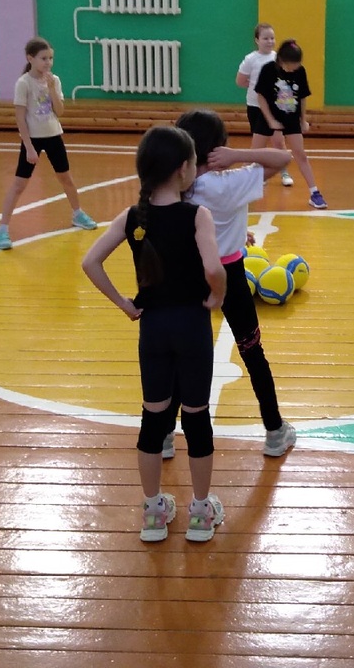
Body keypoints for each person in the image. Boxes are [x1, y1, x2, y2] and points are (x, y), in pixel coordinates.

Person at [81, 126, 228, 543]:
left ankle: (152, 512)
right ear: (184, 169)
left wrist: (124, 304)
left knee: (153, 417)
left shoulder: (132, 217)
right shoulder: (197, 215)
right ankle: (200, 514)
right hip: (192, 327)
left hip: (153, 330)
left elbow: (91, 262)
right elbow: (214, 268)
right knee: (196, 417)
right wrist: (217, 295)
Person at [171, 108, 297, 457]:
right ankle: (275, 431)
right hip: (229, 274)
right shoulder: (226, 183)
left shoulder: (175, 183)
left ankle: (164, 434)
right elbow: (283, 158)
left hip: (187, 276)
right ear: (216, 149)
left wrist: (239, 234)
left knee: (181, 354)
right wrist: (237, 155)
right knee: (252, 352)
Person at [0, 37, 98, 250]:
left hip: (53, 135)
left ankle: (77, 213)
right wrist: (29, 147)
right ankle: (2, 229)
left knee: (66, 178)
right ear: (30, 58)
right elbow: (20, 118)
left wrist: (51, 89)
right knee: (19, 185)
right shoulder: (23, 83)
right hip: (32, 138)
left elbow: (60, 111)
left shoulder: (54, 80)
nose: (48, 62)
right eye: (43, 58)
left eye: (50, 58)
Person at [254, 39, 327, 210]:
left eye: (296, 66)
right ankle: (240, 189)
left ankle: (315, 193)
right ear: (281, 60)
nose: (293, 70)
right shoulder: (268, 70)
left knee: (300, 154)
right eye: (290, 67)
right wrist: (270, 120)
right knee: (254, 154)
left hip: (291, 117)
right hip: (268, 116)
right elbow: (261, 97)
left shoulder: (300, 71)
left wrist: (303, 119)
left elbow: (302, 97)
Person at [237, 22, 294, 187]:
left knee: (278, 142)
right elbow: (240, 81)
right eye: (265, 38)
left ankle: (283, 171)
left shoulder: (278, 59)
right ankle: (255, 174)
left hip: (274, 108)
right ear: (257, 40)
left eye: (272, 38)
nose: (270, 41)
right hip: (255, 107)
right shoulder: (251, 59)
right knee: (258, 144)